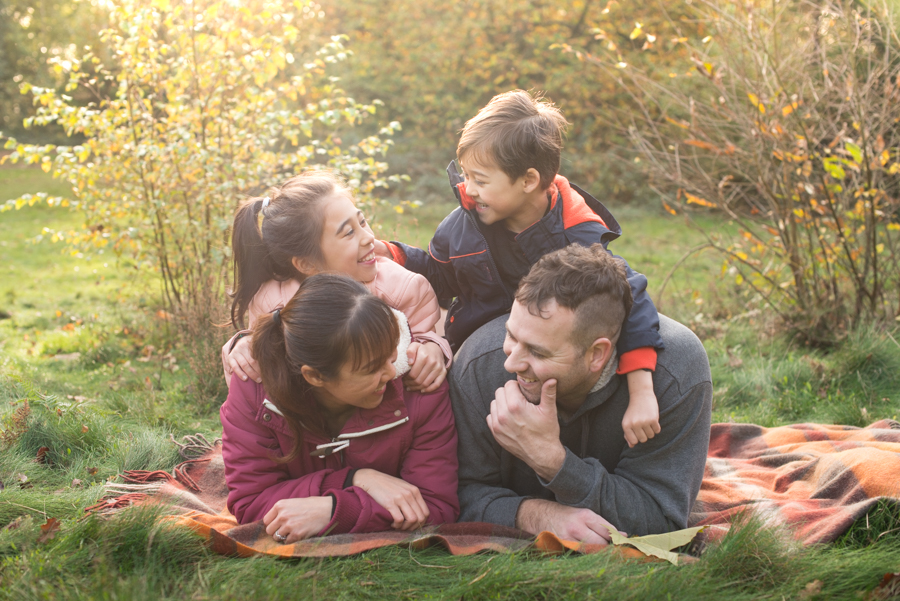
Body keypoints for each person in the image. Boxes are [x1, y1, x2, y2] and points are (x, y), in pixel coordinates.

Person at [377, 90, 664, 447]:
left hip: (547, 358)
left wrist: (642, 392)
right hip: (477, 365)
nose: (467, 189)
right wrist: (393, 255)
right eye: (466, 175)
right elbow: (440, 277)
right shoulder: (462, 225)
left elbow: (629, 295)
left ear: (528, 181)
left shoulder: (576, 236)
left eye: (480, 180)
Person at [450, 244, 712, 543]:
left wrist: (552, 460)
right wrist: (537, 514)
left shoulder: (675, 372)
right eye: (511, 335)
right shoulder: (479, 363)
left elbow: (660, 518)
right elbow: (457, 495)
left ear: (597, 355)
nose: (511, 362)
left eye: (537, 351)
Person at [220, 274, 459, 543]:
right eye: (371, 369)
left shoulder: (420, 386)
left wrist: (334, 511)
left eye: (391, 355)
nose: (392, 372)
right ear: (315, 376)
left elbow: (435, 506)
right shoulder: (254, 390)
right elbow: (251, 502)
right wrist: (354, 479)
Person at [223, 171, 451, 394]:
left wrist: (433, 348)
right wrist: (243, 345)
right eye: (349, 232)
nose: (369, 237)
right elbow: (260, 343)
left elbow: (425, 333)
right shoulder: (272, 300)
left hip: (387, 409)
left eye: (363, 222)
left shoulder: (401, 287)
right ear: (306, 263)